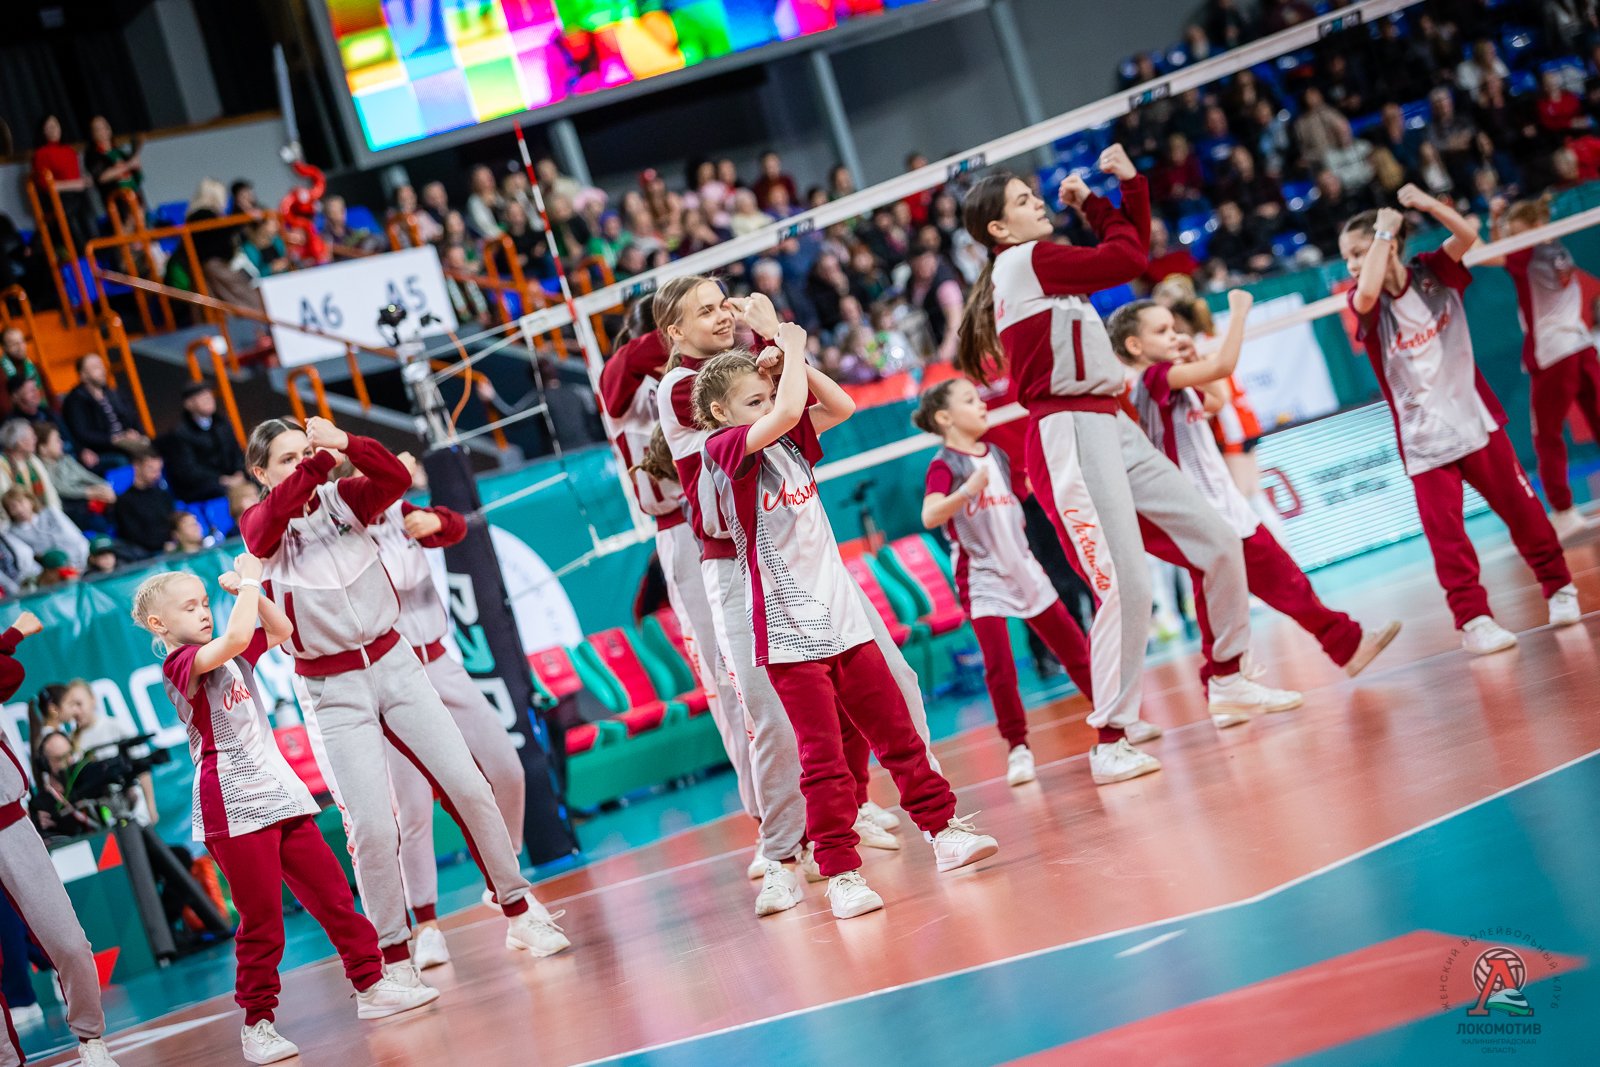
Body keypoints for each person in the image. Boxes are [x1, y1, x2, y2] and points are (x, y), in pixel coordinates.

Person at [955, 147, 1301, 787]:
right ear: (998, 228)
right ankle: (1109, 740)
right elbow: (1129, 259)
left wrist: (1124, 191)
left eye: (1035, 194)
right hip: (1070, 427)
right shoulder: (1025, 262)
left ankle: (1228, 678)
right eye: (1024, 201)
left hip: (1110, 420)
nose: (1038, 203)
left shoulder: (1043, 270)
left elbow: (1128, 256)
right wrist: (1104, 199)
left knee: (1218, 539)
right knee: (1127, 584)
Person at [239, 416, 568, 970]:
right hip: (333, 684)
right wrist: (319, 461)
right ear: (260, 473)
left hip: (399, 662)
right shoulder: (260, 524)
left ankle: (517, 908)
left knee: (470, 784)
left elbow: (394, 477)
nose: (301, 466)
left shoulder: (346, 498)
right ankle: (394, 955)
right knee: (377, 824)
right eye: (286, 460)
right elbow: (264, 527)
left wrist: (346, 443)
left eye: (303, 453)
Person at [694, 331, 998, 920]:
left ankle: (943, 831)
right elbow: (787, 410)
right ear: (720, 413)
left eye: (767, 397)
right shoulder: (724, 448)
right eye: (752, 401)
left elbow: (841, 405)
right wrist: (790, 344)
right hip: (788, 633)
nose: (768, 406)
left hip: (843, 618)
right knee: (824, 758)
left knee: (898, 733)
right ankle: (840, 874)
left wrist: (797, 363)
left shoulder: (788, 442)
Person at [653, 281, 925, 916]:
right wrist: (780, 341)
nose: (723, 315)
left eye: (725, 303)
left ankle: (871, 810)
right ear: (674, 332)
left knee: (891, 681)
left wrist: (777, 350)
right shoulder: (682, 388)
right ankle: (779, 853)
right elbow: (779, 411)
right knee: (773, 720)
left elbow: (827, 408)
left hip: (805, 560)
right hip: (738, 564)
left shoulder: (752, 370)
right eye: (705, 310)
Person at [132, 560, 437, 1064]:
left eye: (206, 603)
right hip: (232, 804)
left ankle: (371, 985)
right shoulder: (180, 664)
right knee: (263, 921)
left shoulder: (230, 653)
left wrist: (248, 591)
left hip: (280, 793)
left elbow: (281, 630)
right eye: (190, 607)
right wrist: (250, 582)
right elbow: (235, 638)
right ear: (159, 625)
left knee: (334, 896)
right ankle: (257, 1024)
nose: (204, 612)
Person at [1111, 293, 1403, 686]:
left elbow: (1217, 398)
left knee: (1274, 583)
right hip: (1200, 509)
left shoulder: (1170, 378)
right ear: (1134, 346)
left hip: (1221, 503)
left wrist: (1193, 357)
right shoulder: (1153, 379)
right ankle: (1226, 677)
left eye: (1174, 329)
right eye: (1162, 331)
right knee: (1240, 590)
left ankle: (1340, 647)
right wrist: (1238, 314)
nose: (1174, 336)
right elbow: (1225, 366)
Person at [1340, 187, 1580, 654]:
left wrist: (1427, 205)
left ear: (1392, 245)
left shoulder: (1433, 272)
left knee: (1525, 513)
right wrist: (1382, 232)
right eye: (1346, 256)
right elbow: (1366, 291)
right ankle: (1474, 621)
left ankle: (1559, 587)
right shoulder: (1363, 304)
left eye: (1357, 253)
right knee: (1448, 540)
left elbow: (1467, 235)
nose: (1350, 264)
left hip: (1476, 424)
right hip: (1424, 444)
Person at [597, 302, 763, 868]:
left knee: (788, 657)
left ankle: (839, 800)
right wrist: (692, 313)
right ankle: (768, 822)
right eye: (701, 312)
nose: (717, 319)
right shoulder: (626, 382)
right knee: (726, 676)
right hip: (683, 532)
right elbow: (626, 365)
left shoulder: (712, 375)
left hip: (740, 511)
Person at [359, 456, 527, 971]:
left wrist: (435, 520)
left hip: (439, 660)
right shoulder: (347, 536)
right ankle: (427, 925)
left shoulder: (404, 512)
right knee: (413, 809)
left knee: (506, 768)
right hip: (391, 675)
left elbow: (454, 527)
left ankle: (503, 871)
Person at [913, 379, 1094, 784]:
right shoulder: (945, 465)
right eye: (970, 400)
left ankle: (1112, 718)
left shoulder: (997, 454)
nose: (982, 405)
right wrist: (966, 492)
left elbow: (1017, 502)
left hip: (1024, 568)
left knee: (1075, 650)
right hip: (982, 578)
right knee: (1000, 669)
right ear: (945, 418)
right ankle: (1018, 749)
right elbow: (930, 515)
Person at [0, 611, 122, 1067]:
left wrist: (8, 642)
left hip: (9, 823)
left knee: (68, 942)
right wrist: (11, 635)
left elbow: (9, 674)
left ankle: (91, 1039)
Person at [1481, 198, 1600, 544]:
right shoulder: (1557, 248)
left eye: (1516, 233)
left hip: (1553, 355)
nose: (1512, 240)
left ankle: (1563, 511)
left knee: (1546, 436)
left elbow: (1487, 254)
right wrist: (1498, 219)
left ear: (1533, 229)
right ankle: (1563, 510)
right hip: (1581, 346)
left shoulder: (1528, 255)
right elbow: (1503, 249)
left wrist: (1486, 222)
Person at [161, 381, 247, 502]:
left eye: (209, 396)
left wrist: (239, 472)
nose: (209, 400)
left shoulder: (222, 423)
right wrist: (221, 479)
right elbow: (189, 470)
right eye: (202, 397)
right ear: (189, 404)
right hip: (204, 485)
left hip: (233, 477)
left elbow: (236, 451)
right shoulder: (180, 434)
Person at [62, 353, 147, 471]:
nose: (102, 370)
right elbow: (82, 433)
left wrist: (136, 433)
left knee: (154, 448)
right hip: (103, 448)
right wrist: (113, 439)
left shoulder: (112, 393)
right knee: (122, 460)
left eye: (101, 365)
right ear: (83, 375)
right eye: (95, 367)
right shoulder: (75, 400)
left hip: (125, 442)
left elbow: (131, 416)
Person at [36, 421, 114, 533]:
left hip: (89, 499)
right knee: (99, 523)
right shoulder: (42, 468)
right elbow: (62, 489)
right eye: (56, 440)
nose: (61, 442)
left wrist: (104, 486)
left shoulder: (65, 459)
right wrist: (89, 492)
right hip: (73, 508)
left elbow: (86, 475)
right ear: (43, 448)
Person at [2, 488, 88, 572]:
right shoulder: (13, 533)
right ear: (9, 512)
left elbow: (74, 537)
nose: (19, 509)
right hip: (51, 571)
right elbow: (28, 560)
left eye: (21, 503)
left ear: (31, 501)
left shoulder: (51, 513)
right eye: (13, 507)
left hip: (78, 560)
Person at [112, 445, 176, 556]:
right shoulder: (125, 501)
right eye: (151, 469)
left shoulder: (163, 494)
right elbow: (133, 536)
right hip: (147, 555)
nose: (157, 475)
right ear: (136, 466)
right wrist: (162, 545)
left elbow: (173, 521)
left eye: (159, 470)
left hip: (171, 548)